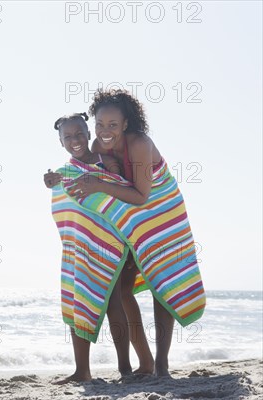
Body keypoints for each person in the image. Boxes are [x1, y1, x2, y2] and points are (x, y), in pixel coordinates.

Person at [66, 88, 178, 377]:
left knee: (160, 285)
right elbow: (93, 169)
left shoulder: (139, 144)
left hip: (160, 213)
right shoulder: (101, 145)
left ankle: (162, 364)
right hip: (129, 218)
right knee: (125, 288)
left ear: (126, 124)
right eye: (100, 125)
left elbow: (141, 195)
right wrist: (62, 177)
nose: (105, 131)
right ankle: (146, 362)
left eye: (112, 125)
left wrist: (100, 184)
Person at [46, 112, 133, 383]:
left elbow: (121, 195)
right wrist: (52, 182)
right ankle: (82, 371)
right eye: (68, 137)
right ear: (61, 142)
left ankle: (125, 369)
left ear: (88, 134)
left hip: (110, 242)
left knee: (113, 302)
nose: (75, 140)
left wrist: (101, 181)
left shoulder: (107, 162)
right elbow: (66, 208)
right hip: (79, 246)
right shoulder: (63, 173)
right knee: (77, 299)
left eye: (79, 134)